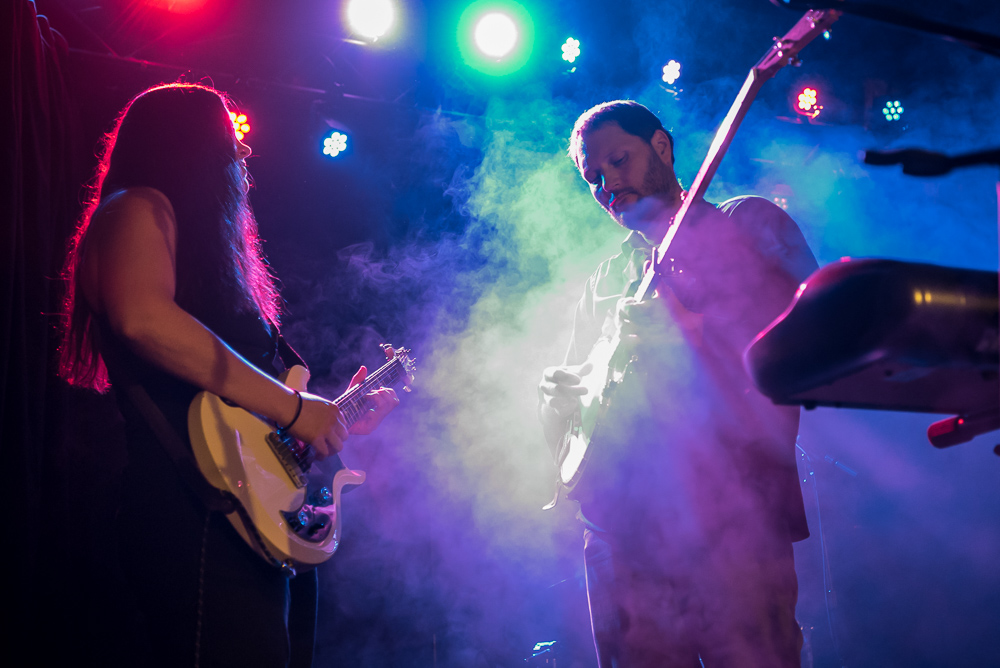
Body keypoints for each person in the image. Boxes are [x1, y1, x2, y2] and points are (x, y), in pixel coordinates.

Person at [57, 83, 398, 667]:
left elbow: (231, 424)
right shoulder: (136, 206)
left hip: (234, 518)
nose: (242, 156)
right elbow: (141, 319)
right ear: (185, 144)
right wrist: (294, 409)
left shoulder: (193, 246)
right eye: (228, 139)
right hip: (189, 515)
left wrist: (321, 425)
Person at [538, 100, 819, 667]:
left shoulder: (747, 224)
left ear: (662, 148)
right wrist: (560, 397)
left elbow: (816, 339)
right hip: (619, 530)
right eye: (593, 178)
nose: (607, 183)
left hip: (733, 516)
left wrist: (695, 332)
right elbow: (579, 408)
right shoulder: (607, 277)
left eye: (618, 160)